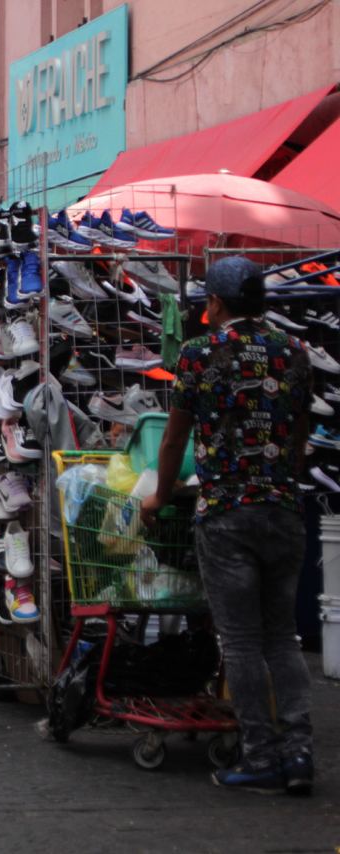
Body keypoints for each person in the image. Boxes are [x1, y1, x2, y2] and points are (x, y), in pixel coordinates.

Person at [142, 256, 313, 796]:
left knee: (240, 642)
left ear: (214, 303)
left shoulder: (199, 354)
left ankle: (260, 755)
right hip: (283, 510)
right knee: (281, 638)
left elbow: (174, 439)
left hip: (227, 513)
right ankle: (298, 754)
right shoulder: (294, 351)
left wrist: (159, 496)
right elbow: (301, 433)